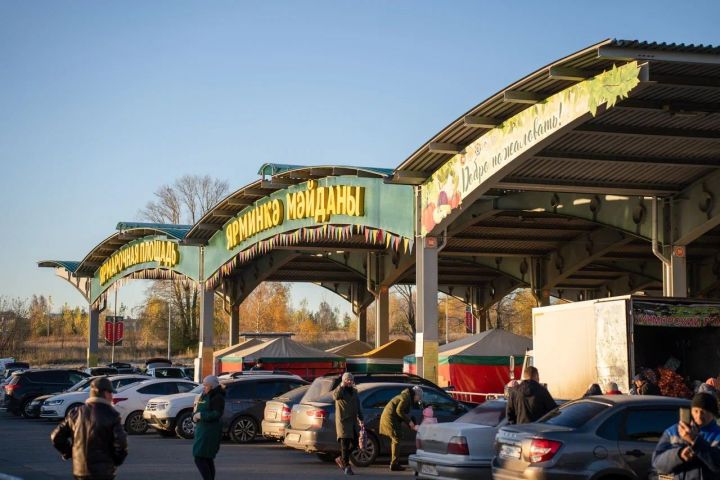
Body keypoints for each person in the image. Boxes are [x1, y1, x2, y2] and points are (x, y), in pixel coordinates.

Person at [50, 377, 128, 480]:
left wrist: (69, 452)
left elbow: (56, 436)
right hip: (103, 472)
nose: (111, 396)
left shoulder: (75, 413)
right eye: (110, 392)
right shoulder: (112, 414)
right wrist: (116, 460)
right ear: (105, 393)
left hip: (79, 470)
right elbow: (121, 443)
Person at [652, 392, 720, 479]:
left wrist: (695, 440)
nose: (698, 416)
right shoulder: (674, 431)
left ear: (712, 414)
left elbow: (717, 464)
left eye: (703, 412)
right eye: (696, 411)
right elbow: (657, 464)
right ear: (691, 411)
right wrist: (679, 455)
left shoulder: (718, 434)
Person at [380, 385, 423, 471]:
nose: (418, 400)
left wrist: (410, 423)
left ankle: (394, 462)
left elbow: (401, 413)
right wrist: (409, 422)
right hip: (390, 419)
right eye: (419, 398)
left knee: (397, 439)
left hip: (391, 418)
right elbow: (399, 411)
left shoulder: (406, 396)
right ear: (416, 395)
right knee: (397, 439)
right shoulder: (406, 398)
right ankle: (394, 464)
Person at [192, 375, 226, 480]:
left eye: (206, 385)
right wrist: (194, 416)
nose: (204, 387)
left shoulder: (217, 397)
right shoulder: (205, 394)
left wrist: (201, 416)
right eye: (204, 385)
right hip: (202, 429)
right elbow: (198, 408)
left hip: (210, 431)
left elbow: (216, 414)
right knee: (206, 458)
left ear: (212, 386)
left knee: (200, 457)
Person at [333, 372, 363, 476]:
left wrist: (361, 418)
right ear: (344, 381)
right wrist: (341, 386)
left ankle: (341, 458)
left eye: (351, 380)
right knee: (344, 446)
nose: (349, 381)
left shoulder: (354, 391)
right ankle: (347, 467)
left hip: (353, 422)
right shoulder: (340, 391)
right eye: (347, 380)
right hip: (343, 422)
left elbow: (358, 405)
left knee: (355, 444)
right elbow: (335, 396)